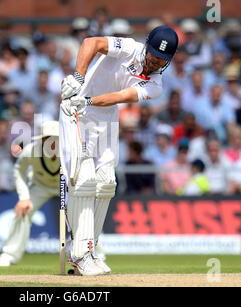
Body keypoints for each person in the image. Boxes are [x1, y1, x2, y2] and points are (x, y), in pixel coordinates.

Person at [59, 26, 178, 275]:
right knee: (84, 180)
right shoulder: (129, 48)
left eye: (161, 61)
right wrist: (78, 78)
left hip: (106, 117)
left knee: (106, 183)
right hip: (78, 112)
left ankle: (90, 249)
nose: (154, 64)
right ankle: (79, 254)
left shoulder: (156, 84)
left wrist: (90, 100)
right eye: (153, 56)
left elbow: (120, 96)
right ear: (147, 46)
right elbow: (91, 43)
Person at [0, 121, 60, 267]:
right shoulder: (31, 150)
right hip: (40, 186)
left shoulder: (71, 150)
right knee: (22, 211)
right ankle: (9, 255)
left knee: (82, 215)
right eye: (47, 138)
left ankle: (93, 255)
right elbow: (19, 170)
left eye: (55, 139)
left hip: (66, 187)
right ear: (42, 139)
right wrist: (24, 197)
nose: (51, 142)